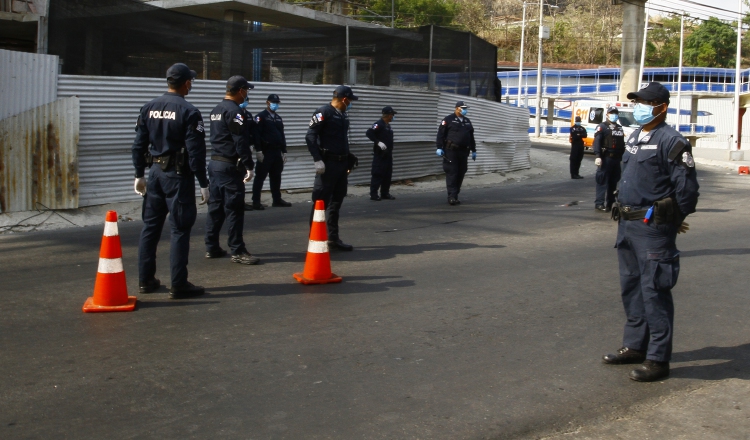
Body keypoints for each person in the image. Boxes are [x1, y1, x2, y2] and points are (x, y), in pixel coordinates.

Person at [602, 82, 700, 382]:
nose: (639, 107)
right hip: (628, 223)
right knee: (631, 287)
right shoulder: (636, 135)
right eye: (637, 102)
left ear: (662, 107)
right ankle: (635, 345)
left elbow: (687, 190)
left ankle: (658, 358)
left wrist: (672, 219)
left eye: (645, 102)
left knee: (654, 290)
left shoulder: (672, 141)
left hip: (652, 228)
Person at [132, 63, 207, 299]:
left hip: (154, 174)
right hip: (177, 176)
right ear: (186, 83)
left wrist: (138, 174)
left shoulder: (148, 107)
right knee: (180, 228)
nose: (191, 85)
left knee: (150, 227)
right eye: (191, 81)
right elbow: (196, 153)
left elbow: (138, 145)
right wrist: (203, 183)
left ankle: (146, 280)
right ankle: (178, 283)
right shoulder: (189, 111)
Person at [204, 75, 260, 266]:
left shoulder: (216, 109)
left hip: (215, 164)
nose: (247, 95)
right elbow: (240, 141)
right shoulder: (236, 112)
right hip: (229, 166)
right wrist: (249, 165)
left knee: (215, 208)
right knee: (234, 208)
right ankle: (237, 250)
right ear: (240, 91)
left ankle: (211, 246)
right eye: (246, 91)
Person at [305, 85, 358, 251]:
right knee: (320, 202)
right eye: (350, 100)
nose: (350, 103)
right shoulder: (323, 112)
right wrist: (317, 159)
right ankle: (315, 239)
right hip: (328, 165)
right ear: (344, 99)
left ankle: (333, 238)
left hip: (341, 165)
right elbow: (310, 136)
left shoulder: (342, 115)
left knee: (336, 202)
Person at [252, 94, 291, 209]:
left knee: (276, 176)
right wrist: (258, 150)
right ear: (267, 103)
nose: (275, 104)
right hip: (266, 151)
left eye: (277, 103)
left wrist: (284, 151)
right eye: (273, 102)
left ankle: (277, 199)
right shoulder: (261, 117)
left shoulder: (278, 118)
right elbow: (256, 135)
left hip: (276, 151)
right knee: (260, 176)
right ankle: (256, 201)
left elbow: (281, 135)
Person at [435, 101, 477, 205]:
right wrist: (439, 147)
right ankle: (452, 196)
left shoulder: (467, 121)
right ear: (457, 108)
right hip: (451, 151)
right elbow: (440, 134)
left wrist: (474, 150)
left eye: (465, 108)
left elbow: (471, 137)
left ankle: (455, 194)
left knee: (461, 172)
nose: (465, 110)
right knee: (452, 172)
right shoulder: (448, 120)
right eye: (463, 108)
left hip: (463, 151)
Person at [593, 106, 625, 211]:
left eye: (615, 113)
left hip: (616, 160)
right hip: (606, 158)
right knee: (602, 181)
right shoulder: (602, 127)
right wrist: (598, 156)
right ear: (607, 115)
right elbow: (597, 141)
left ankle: (610, 203)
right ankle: (599, 203)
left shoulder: (619, 128)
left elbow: (622, 144)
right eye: (612, 113)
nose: (614, 115)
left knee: (614, 182)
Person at [366, 106, 397, 201]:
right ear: (388, 115)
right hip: (380, 155)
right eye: (392, 115)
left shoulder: (388, 125)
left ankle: (385, 193)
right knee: (378, 173)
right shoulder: (378, 124)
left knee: (387, 174)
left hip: (388, 154)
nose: (393, 117)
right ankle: (374, 194)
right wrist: (377, 142)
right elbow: (369, 133)